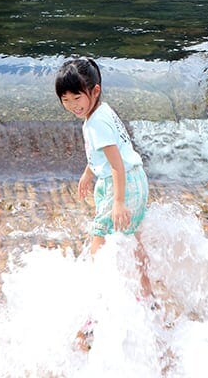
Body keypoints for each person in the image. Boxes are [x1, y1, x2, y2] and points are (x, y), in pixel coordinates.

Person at [55, 56, 153, 349]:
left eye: (77, 97)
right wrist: (88, 173)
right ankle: (148, 299)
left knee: (98, 249)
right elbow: (108, 154)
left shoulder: (95, 123)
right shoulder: (102, 113)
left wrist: (118, 202)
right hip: (137, 181)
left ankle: (96, 317)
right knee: (133, 240)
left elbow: (116, 166)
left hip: (120, 186)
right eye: (66, 99)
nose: (72, 105)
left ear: (94, 92)